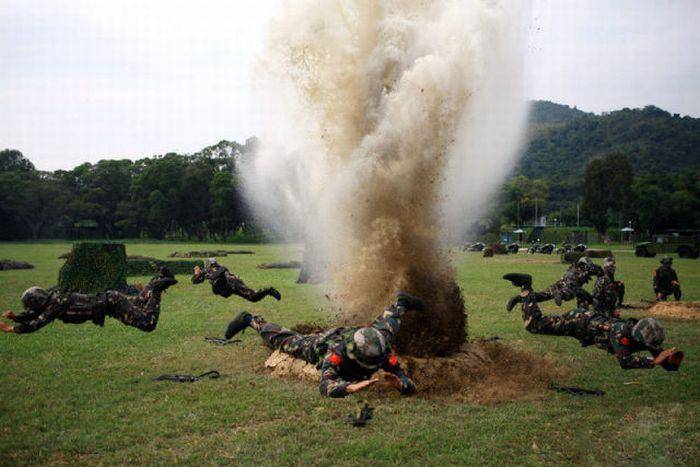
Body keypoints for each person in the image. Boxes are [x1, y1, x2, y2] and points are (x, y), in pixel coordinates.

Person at [224, 292, 424, 398]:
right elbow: (326, 385)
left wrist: (402, 384)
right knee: (285, 341)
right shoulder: (335, 354)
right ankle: (250, 319)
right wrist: (348, 388)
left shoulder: (382, 346)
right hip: (321, 342)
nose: (377, 363)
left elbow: (404, 379)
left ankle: (401, 302)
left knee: (389, 324)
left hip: (360, 333)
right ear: (356, 355)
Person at [503, 273, 683, 371]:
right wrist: (653, 361)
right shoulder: (620, 334)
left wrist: (669, 359)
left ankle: (525, 293)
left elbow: (660, 355)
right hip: (578, 322)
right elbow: (625, 362)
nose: (654, 347)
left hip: (588, 321)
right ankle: (526, 286)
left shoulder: (641, 332)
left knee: (536, 324)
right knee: (534, 325)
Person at [0, 268, 178, 334]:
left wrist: (11, 329)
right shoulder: (52, 300)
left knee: (148, 323)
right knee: (140, 301)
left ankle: (156, 288)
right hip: (110, 300)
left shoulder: (54, 306)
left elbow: (35, 324)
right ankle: (158, 279)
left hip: (111, 304)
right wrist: (16, 317)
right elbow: (35, 314)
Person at [506, 257, 602, 312]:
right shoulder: (581, 270)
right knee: (571, 294)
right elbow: (597, 271)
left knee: (542, 296)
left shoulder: (572, 269)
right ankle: (560, 294)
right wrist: (592, 300)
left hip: (558, 285)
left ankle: (517, 298)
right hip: (567, 287)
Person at [192, 258, 281, 302]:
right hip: (227, 288)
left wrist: (211, 276)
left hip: (234, 284)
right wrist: (197, 274)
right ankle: (268, 291)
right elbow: (195, 282)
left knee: (253, 298)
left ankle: (268, 291)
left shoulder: (220, 268)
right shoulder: (206, 271)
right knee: (216, 288)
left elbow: (222, 270)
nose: (212, 267)